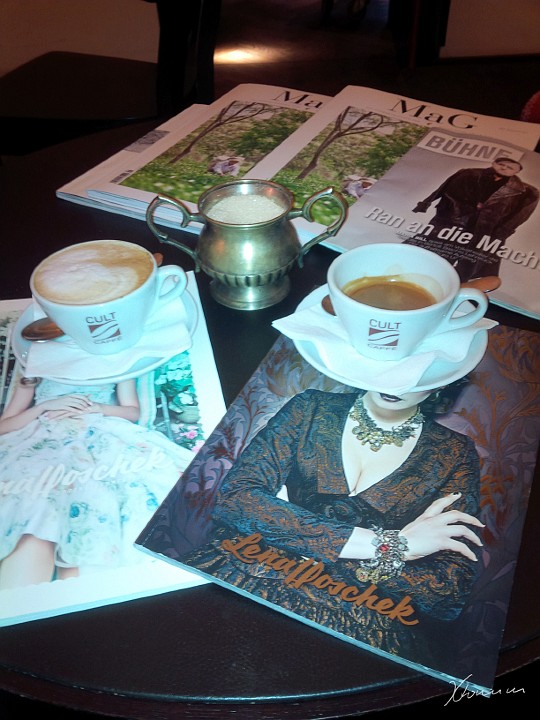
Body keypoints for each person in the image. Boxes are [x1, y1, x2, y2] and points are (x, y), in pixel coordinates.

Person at [183, 383, 483, 669]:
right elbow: (236, 499)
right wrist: (390, 547)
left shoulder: (454, 451)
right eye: (395, 365)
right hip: (254, 572)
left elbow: (449, 594)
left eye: (422, 375)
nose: (399, 384)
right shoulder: (311, 407)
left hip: (357, 616)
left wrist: (382, 559)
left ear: (443, 382)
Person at [0, 375, 193, 590]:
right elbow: (4, 425)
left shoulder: (118, 360)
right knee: (34, 502)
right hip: (43, 433)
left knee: (100, 494)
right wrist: (43, 407)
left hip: (98, 427)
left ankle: (85, 584)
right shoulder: (33, 363)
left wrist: (99, 408)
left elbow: (132, 412)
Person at [411, 156, 539, 281]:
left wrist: (502, 232)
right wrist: (426, 203)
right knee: (430, 250)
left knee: (470, 264)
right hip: (453, 219)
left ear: (517, 171)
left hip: (487, 228)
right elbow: (443, 188)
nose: (504, 168)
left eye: (510, 167)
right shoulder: (468, 173)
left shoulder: (528, 191)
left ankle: (454, 282)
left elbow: (520, 215)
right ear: (494, 163)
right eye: (501, 164)